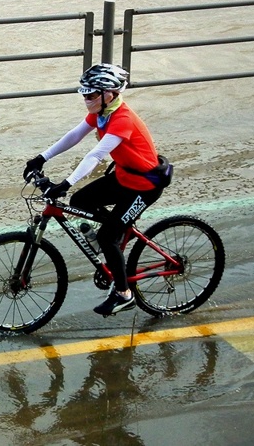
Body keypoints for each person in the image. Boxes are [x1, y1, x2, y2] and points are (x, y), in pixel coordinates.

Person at [22, 63, 168, 317]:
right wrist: (41, 158)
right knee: (80, 200)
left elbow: (97, 154)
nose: (86, 99)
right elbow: (74, 135)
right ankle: (119, 233)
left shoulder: (122, 119)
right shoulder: (102, 113)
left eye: (91, 95)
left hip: (145, 186)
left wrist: (65, 184)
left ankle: (124, 294)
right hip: (124, 177)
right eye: (85, 94)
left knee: (106, 238)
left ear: (109, 94)